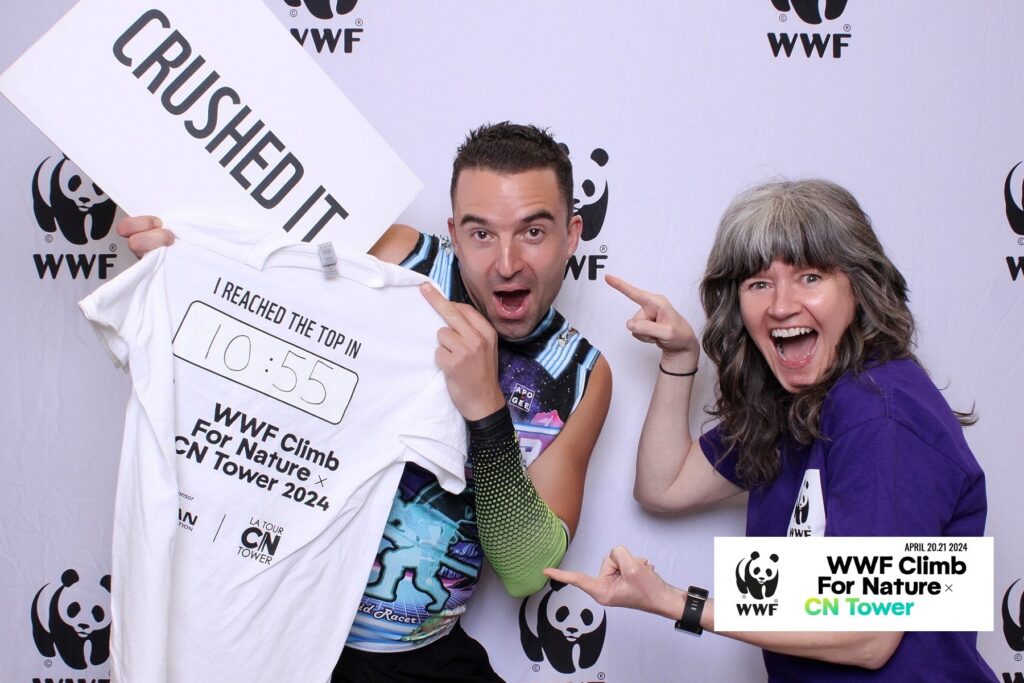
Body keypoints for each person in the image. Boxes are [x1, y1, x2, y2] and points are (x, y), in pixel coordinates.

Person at [117, 122, 612, 682]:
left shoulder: (579, 374)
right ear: (452, 232)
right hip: (275, 628)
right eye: (480, 234)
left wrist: (485, 409)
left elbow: (528, 573)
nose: (505, 263)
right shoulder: (393, 263)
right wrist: (181, 257)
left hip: (414, 658)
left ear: (572, 235)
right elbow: (255, 275)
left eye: (532, 232)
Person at [546, 179, 996, 682]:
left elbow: (869, 638)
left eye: (809, 277)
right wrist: (680, 359)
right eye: (759, 283)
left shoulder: (879, 412)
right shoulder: (800, 403)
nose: (781, 305)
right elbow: (664, 486)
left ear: (858, 287)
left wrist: (678, 604)